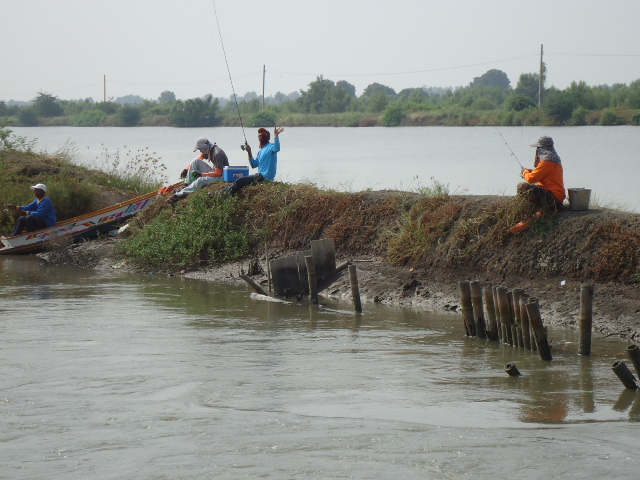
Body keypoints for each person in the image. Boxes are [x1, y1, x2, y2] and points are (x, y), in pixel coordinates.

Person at [224, 126, 284, 195]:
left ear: (267, 137)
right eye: (259, 134)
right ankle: (224, 191)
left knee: (241, 180)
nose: (261, 135)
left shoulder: (271, 147)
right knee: (240, 181)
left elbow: (277, 148)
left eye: (263, 134)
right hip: (260, 176)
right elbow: (253, 164)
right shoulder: (261, 151)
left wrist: (276, 135)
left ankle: (225, 193)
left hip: (264, 177)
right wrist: (249, 152)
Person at [168, 137, 229, 202]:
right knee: (195, 161)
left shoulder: (217, 153)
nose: (200, 151)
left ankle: (179, 195)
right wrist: (186, 169)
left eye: (200, 149)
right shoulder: (209, 149)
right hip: (215, 172)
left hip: (222, 176)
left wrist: (201, 174)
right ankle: (187, 184)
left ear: (204, 148)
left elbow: (218, 173)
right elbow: (199, 157)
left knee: (200, 180)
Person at [517, 136, 566, 211]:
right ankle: (542, 208)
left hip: (553, 197)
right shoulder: (555, 159)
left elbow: (531, 179)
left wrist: (524, 172)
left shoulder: (546, 161)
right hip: (558, 197)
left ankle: (543, 208)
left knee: (522, 186)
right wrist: (532, 171)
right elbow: (544, 174)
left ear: (541, 149)